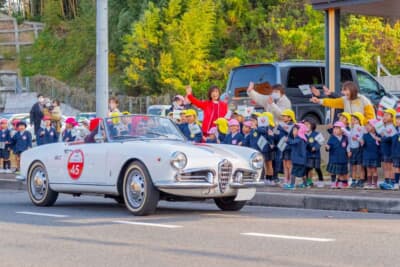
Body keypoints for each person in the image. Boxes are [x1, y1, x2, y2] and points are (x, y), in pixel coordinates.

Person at [310, 81, 376, 121]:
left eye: (345, 90)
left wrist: (360, 123)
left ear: (352, 89)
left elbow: (371, 118)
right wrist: (318, 101)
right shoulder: (344, 99)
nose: (343, 92)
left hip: (363, 131)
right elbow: (332, 102)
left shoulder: (364, 100)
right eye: (342, 90)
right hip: (349, 130)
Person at [283, 123, 308, 190]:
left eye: (295, 130)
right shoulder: (303, 139)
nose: (293, 132)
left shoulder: (299, 138)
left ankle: (292, 185)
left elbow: (293, 142)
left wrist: (287, 140)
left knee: (293, 172)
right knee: (303, 173)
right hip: (302, 160)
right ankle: (305, 184)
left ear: (300, 131)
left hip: (298, 160)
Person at [326, 121, 349, 189]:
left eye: (337, 128)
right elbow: (328, 145)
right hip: (334, 158)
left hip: (343, 158)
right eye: (334, 128)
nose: (335, 130)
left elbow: (348, 146)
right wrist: (327, 147)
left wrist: (349, 151)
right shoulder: (332, 137)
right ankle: (333, 182)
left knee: (341, 172)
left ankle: (340, 183)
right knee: (333, 172)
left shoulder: (345, 138)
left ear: (342, 130)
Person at [276, 109, 296, 184]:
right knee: (284, 164)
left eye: (285, 116)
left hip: (289, 148)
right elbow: (278, 136)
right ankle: (286, 180)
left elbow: (294, 136)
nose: (283, 117)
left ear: (290, 118)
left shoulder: (294, 126)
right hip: (283, 147)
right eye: (283, 116)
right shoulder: (281, 126)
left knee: (289, 165)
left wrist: (282, 128)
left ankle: (290, 180)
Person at [360, 119, 382, 190]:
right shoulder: (365, 135)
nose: (367, 127)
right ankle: (369, 183)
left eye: (369, 125)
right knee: (368, 170)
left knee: (374, 170)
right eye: (367, 125)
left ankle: (374, 184)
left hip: (375, 155)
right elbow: (363, 145)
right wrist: (362, 143)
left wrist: (379, 139)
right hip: (366, 155)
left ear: (374, 126)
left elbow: (381, 144)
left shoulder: (378, 135)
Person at [380, 109, 397, 190]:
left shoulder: (393, 127)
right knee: (386, 166)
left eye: (387, 115)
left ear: (392, 117)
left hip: (390, 150)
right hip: (385, 150)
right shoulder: (384, 126)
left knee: (391, 166)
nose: (384, 117)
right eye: (384, 115)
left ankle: (392, 182)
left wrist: (383, 138)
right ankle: (386, 181)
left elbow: (392, 138)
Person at [347, 112, 366, 188]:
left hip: (359, 149)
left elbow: (362, 140)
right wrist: (348, 150)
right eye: (351, 120)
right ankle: (354, 180)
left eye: (354, 120)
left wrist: (357, 138)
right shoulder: (351, 130)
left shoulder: (362, 128)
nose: (352, 121)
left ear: (359, 120)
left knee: (360, 166)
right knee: (353, 166)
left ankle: (361, 180)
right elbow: (349, 141)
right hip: (352, 149)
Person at [304, 119, 324, 188]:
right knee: (308, 168)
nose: (306, 126)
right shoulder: (303, 135)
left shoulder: (316, 134)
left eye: (308, 124)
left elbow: (321, 142)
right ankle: (308, 181)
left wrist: (315, 147)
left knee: (317, 168)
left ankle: (321, 180)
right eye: (305, 124)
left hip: (316, 155)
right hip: (307, 155)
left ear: (312, 126)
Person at [391, 113, 400, 190]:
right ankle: (396, 183)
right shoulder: (394, 130)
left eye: (399, 119)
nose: (397, 120)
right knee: (396, 167)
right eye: (396, 119)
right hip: (396, 152)